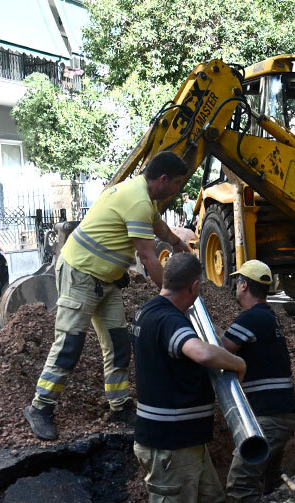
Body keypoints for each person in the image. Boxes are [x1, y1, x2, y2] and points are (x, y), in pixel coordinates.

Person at [23, 152, 193, 440]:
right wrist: (172, 297)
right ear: (163, 179)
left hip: (107, 280)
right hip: (80, 274)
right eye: (177, 183)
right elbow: (148, 257)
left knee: (118, 344)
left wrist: (177, 243)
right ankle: (40, 407)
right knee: (69, 344)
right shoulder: (137, 201)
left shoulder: (142, 195)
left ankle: (119, 406)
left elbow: (158, 225)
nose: (177, 189)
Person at [130, 253, 246, 503]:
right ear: (194, 286)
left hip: (184, 443)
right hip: (170, 446)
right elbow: (201, 353)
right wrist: (239, 364)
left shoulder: (146, 311)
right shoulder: (170, 319)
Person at [220, 260, 295, 503]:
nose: (236, 285)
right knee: (269, 480)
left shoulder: (252, 318)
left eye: (238, 281)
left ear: (244, 285)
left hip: (270, 417)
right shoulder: (265, 316)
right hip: (279, 413)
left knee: (240, 482)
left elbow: (221, 350)